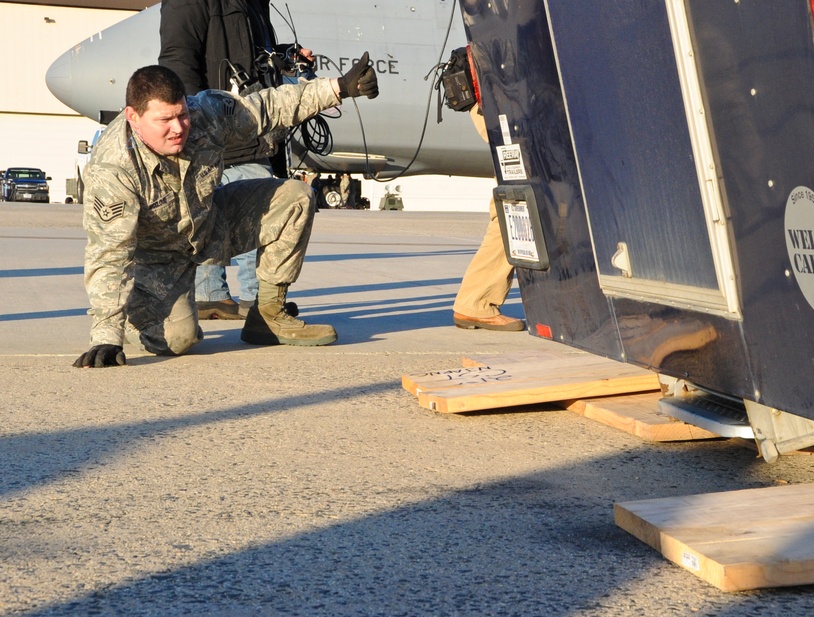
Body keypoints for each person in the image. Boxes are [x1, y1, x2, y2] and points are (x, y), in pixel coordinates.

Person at [72, 59, 378, 368]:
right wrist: (106, 334)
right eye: (165, 120)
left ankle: (268, 317)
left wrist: (337, 88)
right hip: (157, 260)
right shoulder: (113, 169)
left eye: (182, 114)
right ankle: (142, 312)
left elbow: (267, 107)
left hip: (207, 226)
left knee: (296, 198)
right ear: (133, 117)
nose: (178, 128)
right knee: (179, 340)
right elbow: (109, 254)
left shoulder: (205, 113)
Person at [158, 0, 307, 320]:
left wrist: (282, 57)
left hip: (250, 129)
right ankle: (260, 303)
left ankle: (211, 294)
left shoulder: (252, 3)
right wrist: (195, 126)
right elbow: (178, 61)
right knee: (263, 216)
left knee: (216, 215)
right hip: (223, 130)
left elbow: (243, 55)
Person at [452, 104, 525, 331]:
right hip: (507, 99)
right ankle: (476, 302)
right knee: (522, 201)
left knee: (522, 200)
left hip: (501, 98)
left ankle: (476, 301)